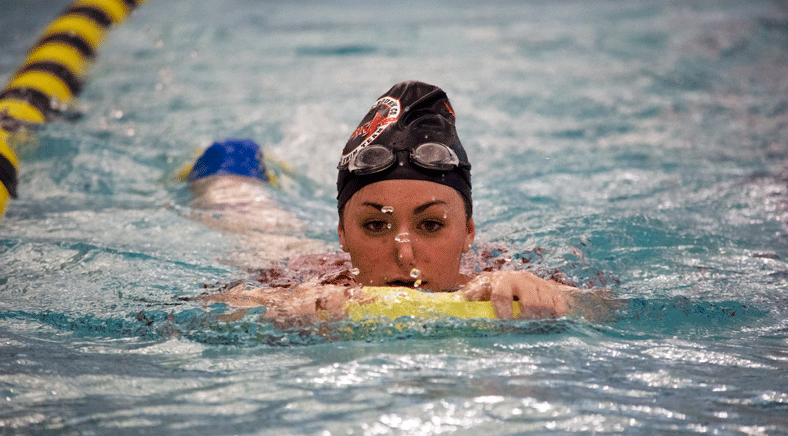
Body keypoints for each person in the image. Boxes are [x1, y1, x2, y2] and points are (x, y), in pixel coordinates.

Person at [198, 81, 600, 323]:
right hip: (299, 258)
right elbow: (201, 310)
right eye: (375, 225)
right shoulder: (315, 282)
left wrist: (551, 296)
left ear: (469, 232)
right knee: (244, 205)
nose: (405, 254)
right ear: (342, 233)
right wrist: (277, 303)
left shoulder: (510, 273)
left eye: (431, 225)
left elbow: (609, 308)